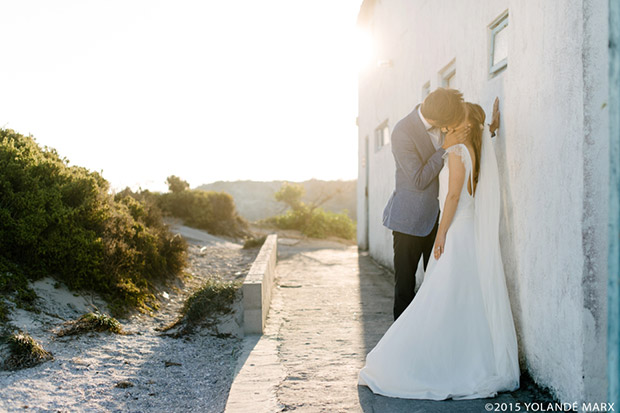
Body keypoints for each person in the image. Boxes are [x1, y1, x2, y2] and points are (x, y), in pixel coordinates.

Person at [358, 102, 520, 400]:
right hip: (469, 230)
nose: (449, 126)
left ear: (466, 126)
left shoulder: (458, 152)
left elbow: (454, 195)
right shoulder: (477, 150)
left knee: (440, 294)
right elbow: (481, 143)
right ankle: (462, 354)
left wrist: (442, 232)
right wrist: (492, 128)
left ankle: (420, 355)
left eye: (456, 122)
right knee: (463, 294)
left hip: (456, 229)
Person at [382, 88, 469, 320]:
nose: (449, 128)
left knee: (436, 282)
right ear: (438, 120)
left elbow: (466, 135)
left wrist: (491, 129)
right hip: (407, 221)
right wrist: (443, 148)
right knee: (405, 289)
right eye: (447, 125)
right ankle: (400, 344)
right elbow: (419, 179)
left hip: (436, 220)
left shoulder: (443, 117)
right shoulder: (402, 131)